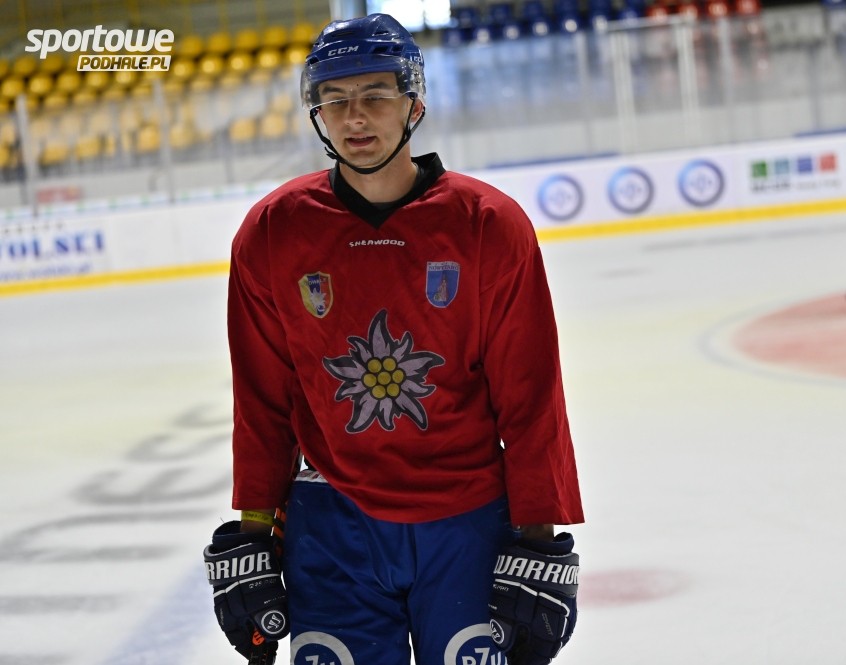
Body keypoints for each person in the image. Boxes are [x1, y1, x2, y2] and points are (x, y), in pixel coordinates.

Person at [202, 13, 585, 665]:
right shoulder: (272, 231)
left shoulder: (489, 224)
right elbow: (262, 401)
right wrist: (255, 529)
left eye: (375, 96)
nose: (355, 117)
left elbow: (530, 395)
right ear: (316, 111)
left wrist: (537, 538)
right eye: (335, 99)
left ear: (415, 102)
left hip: (468, 521)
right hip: (331, 526)